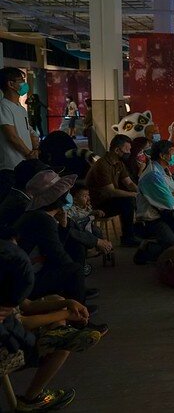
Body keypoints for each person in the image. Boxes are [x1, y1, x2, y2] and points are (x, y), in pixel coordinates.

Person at [1, 237, 102, 412]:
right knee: (63, 346)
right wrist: (66, 313)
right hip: (7, 351)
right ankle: (32, 399)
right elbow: (22, 323)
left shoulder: (6, 278)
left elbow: (27, 306)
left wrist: (67, 303)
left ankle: (59, 332)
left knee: (58, 301)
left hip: (13, 335)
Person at [13, 170, 88, 305]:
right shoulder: (43, 219)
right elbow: (58, 255)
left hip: (29, 273)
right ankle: (78, 312)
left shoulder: (38, 214)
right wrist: (76, 276)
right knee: (75, 270)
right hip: (26, 283)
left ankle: (74, 296)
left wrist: (63, 226)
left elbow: (54, 247)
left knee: (75, 248)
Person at [85, 135, 139, 248]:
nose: (129, 153)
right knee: (128, 201)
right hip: (98, 204)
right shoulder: (102, 165)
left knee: (134, 199)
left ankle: (136, 232)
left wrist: (141, 193)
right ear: (117, 150)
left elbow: (129, 183)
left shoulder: (119, 163)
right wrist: (134, 194)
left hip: (109, 200)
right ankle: (128, 238)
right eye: (127, 150)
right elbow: (110, 191)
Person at [0, 67, 39, 171]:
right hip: (11, 166)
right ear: (11, 84)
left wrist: (34, 140)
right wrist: (29, 153)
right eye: (21, 80)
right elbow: (12, 136)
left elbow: (27, 129)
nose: (25, 84)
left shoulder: (20, 108)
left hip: (24, 163)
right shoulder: (3, 106)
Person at [66, 183, 114, 257]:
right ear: (74, 199)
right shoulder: (72, 208)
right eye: (84, 196)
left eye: (88, 195)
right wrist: (90, 214)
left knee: (97, 230)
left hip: (88, 226)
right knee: (83, 237)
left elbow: (90, 213)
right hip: (78, 228)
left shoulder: (87, 207)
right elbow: (73, 218)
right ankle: (88, 250)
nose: (88, 198)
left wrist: (96, 212)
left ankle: (101, 247)